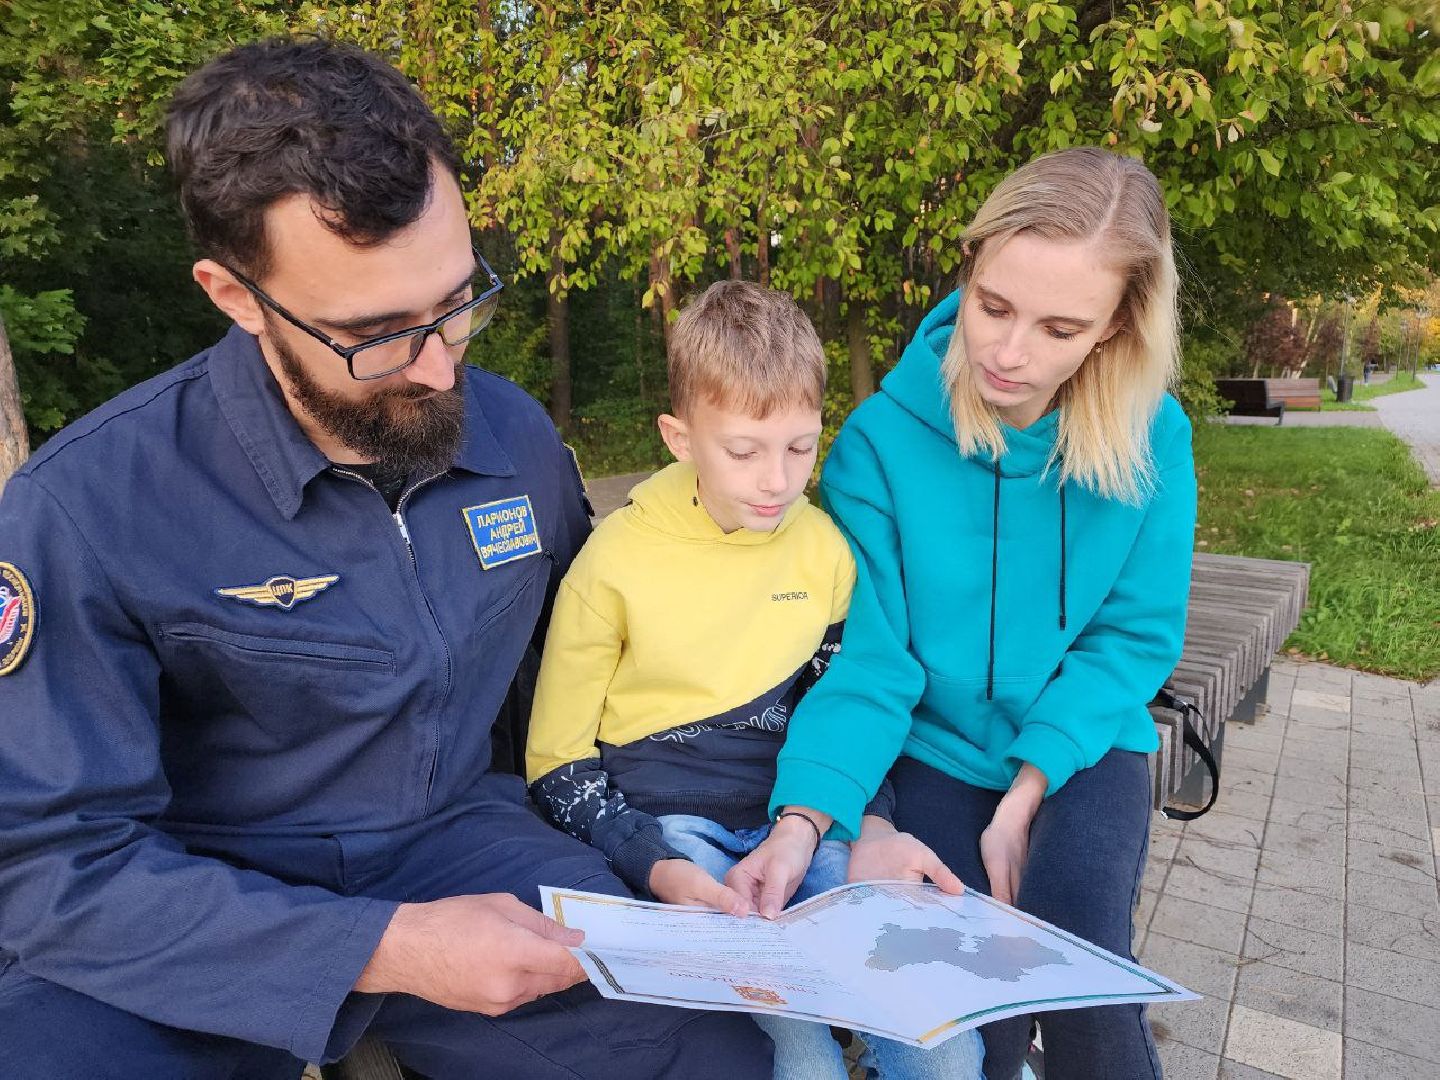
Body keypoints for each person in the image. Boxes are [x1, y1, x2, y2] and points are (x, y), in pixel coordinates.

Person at [0, 38, 772, 1080]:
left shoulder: (516, 440)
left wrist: (811, 828)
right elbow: (55, 869)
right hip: (195, 905)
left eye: (457, 302)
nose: (442, 367)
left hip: (466, 847)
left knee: (707, 1046)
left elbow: (603, 689)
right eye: (376, 335)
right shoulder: (87, 507)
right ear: (235, 296)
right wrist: (380, 949)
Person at [727, 147, 1197, 1080]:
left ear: (1115, 326)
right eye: (993, 306)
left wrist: (1027, 792)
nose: (1009, 353)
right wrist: (821, 818)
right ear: (971, 269)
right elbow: (870, 660)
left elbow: (1131, 637)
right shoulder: (879, 444)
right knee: (969, 1025)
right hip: (933, 749)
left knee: (1085, 980)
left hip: (1082, 740)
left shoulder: (1153, 438)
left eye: (1060, 328)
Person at [524, 280, 983, 1079]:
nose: (778, 480)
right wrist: (646, 860)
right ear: (679, 438)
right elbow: (555, 764)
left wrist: (867, 822)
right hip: (673, 834)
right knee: (802, 1057)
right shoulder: (611, 565)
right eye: (745, 451)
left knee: (945, 1042)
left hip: (804, 821)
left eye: (801, 448)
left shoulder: (826, 550)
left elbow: (846, 708)